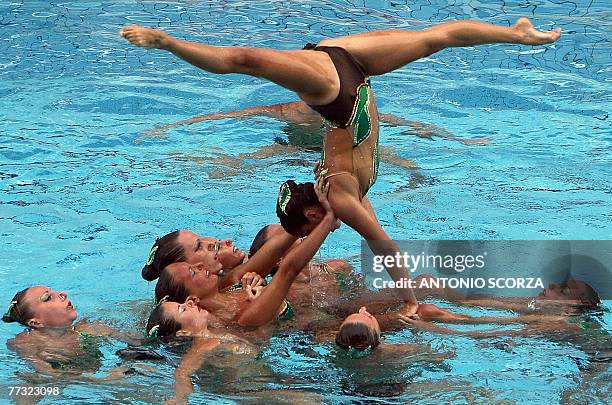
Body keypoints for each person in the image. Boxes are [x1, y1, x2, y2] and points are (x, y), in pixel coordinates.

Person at [121, 17, 561, 318]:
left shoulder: (339, 197)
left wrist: (409, 301)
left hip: (333, 91)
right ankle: (516, 35)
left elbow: (382, 247)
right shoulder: (339, 196)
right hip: (351, 65)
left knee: (245, 60)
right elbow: (376, 246)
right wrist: (409, 299)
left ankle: (168, 42)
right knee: (436, 38)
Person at [3, 286, 139, 377]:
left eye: (54, 291)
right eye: (48, 298)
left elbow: (142, 342)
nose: (62, 294)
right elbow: (50, 376)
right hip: (63, 387)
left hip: (94, 377)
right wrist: (105, 380)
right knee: (27, 388)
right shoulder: (25, 343)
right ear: (35, 323)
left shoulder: (91, 329)